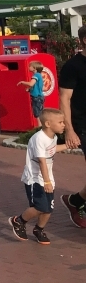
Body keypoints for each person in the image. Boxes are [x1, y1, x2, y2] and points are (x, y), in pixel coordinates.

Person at [10, 108, 68, 245]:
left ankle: (38, 230)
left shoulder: (52, 137)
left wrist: (67, 145)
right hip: (35, 179)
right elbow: (42, 161)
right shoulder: (39, 139)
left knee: (49, 208)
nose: (63, 125)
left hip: (47, 179)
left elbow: (52, 150)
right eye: (60, 122)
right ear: (48, 123)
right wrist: (46, 181)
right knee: (40, 207)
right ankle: (18, 221)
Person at [58, 27, 86, 228]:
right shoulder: (72, 66)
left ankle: (75, 201)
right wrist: (69, 130)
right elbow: (64, 99)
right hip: (83, 125)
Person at [18, 61, 46, 125]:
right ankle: (41, 127)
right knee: (40, 112)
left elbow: (31, 83)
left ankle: (39, 127)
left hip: (36, 97)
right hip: (40, 96)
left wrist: (22, 82)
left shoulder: (35, 75)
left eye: (30, 66)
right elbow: (39, 87)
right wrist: (30, 90)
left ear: (34, 68)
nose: (28, 67)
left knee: (37, 114)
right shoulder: (39, 75)